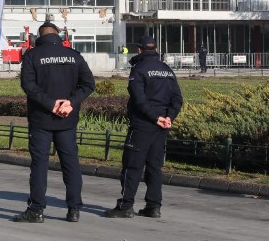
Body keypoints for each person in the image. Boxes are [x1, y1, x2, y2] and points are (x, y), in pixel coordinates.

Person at [13, 21, 96, 223]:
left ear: (38, 36)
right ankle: (74, 209)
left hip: (41, 119)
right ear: (58, 35)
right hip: (67, 120)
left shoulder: (32, 56)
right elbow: (89, 84)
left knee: (40, 165)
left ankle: (36, 210)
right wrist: (70, 103)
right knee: (71, 165)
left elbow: (28, 86)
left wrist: (51, 105)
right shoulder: (74, 56)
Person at [104, 35, 183, 219]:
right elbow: (177, 99)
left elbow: (138, 99)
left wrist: (155, 117)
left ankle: (125, 206)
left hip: (143, 124)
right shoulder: (167, 70)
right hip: (162, 126)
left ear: (139, 50)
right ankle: (154, 206)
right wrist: (168, 117)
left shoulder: (139, 70)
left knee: (132, 166)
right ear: (155, 49)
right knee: (155, 166)